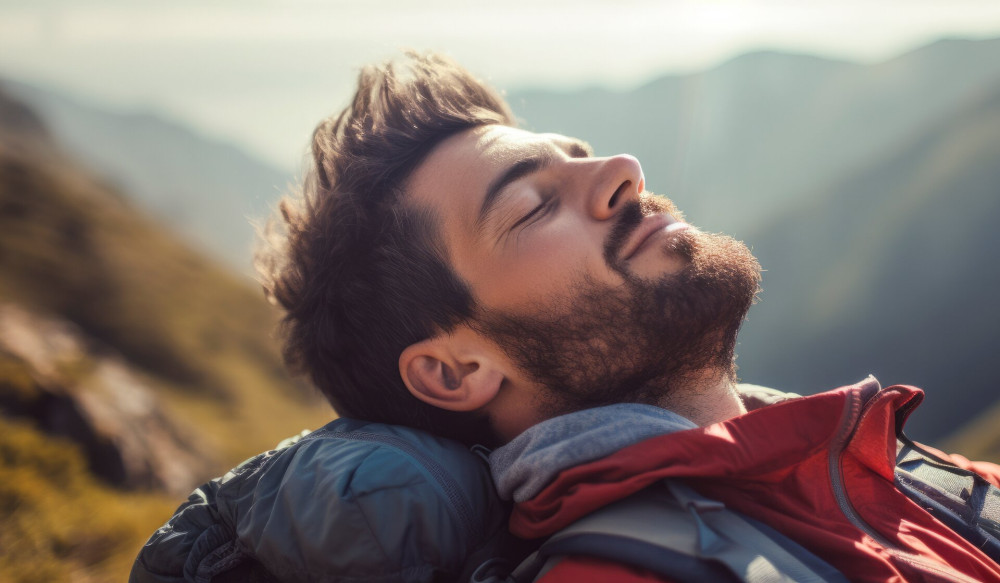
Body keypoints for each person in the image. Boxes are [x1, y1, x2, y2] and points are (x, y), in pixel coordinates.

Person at [249, 52, 1000, 582]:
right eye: (533, 204)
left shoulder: (905, 466)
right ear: (455, 369)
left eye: (580, 153)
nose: (622, 170)